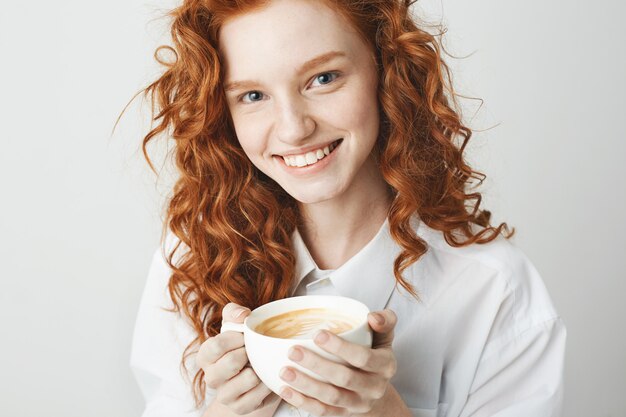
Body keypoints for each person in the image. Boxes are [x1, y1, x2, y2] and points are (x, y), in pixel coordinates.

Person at [129, 0, 566, 416]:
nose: (294, 128)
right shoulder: (191, 256)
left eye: (323, 78)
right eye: (252, 96)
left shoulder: (494, 290)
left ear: (386, 69)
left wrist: (386, 414)